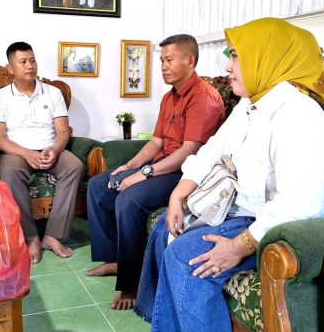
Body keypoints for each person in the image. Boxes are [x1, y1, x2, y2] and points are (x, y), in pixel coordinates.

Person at [134, 18, 324, 331]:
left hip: (297, 228)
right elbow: (213, 149)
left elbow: (298, 204)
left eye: (236, 56)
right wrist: (179, 193)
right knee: (163, 232)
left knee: (187, 259)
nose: (228, 66)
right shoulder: (250, 104)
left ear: (266, 59)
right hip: (251, 210)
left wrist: (237, 247)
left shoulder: (298, 114)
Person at [87, 34, 225, 310]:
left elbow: (189, 152)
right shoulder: (168, 98)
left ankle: (133, 283)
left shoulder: (203, 98)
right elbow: (156, 142)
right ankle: (116, 259)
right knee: (100, 185)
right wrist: (132, 165)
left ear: (189, 60)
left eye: (169, 60)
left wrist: (145, 173)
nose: (163, 66)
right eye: (162, 60)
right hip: (163, 165)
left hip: (188, 174)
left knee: (129, 199)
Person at [0, 42, 84, 264]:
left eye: (32, 60)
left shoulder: (53, 93)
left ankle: (52, 235)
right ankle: (31, 238)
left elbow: (62, 130)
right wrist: (27, 153)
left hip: (49, 147)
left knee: (75, 166)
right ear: (11, 68)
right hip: (17, 151)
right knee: (10, 171)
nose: (30, 66)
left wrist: (55, 149)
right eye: (23, 62)